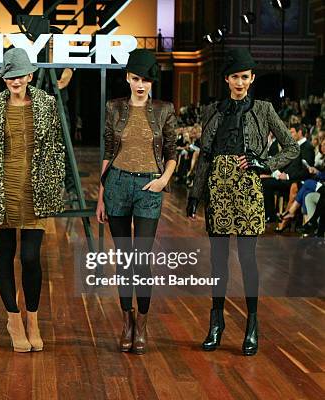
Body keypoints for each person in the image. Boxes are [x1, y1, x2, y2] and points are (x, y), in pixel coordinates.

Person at [186, 48, 298, 356]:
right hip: (218, 187)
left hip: (248, 188)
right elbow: (206, 156)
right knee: (218, 261)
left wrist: (267, 164)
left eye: (245, 77)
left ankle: (252, 325)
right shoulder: (212, 110)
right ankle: (216, 322)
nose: (240, 82)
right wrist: (195, 196)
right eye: (235, 77)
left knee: (248, 260)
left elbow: (291, 147)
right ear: (226, 79)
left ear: (251, 79)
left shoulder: (264, 109)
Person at [0, 48, 65, 352]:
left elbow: (56, 147)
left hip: (35, 188)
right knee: (6, 251)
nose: (16, 80)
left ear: (30, 75)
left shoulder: (47, 104)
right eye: (10, 75)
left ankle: (33, 319)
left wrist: (55, 183)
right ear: (5, 78)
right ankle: (13, 319)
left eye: (20, 74)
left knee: (30, 257)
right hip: (2, 186)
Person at [96, 49, 177, 355]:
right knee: (125, 261)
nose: (140, 85)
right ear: (127, 78)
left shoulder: (165, 110)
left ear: (152, 82)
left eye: (145, 80)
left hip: (149, 186)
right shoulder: (114, 108)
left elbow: (172, 152)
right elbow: (107, 152)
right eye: (135, 78)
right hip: (116, 184)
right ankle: (127, 322)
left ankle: (142, 324)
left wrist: (163, 181)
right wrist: (101, 197)